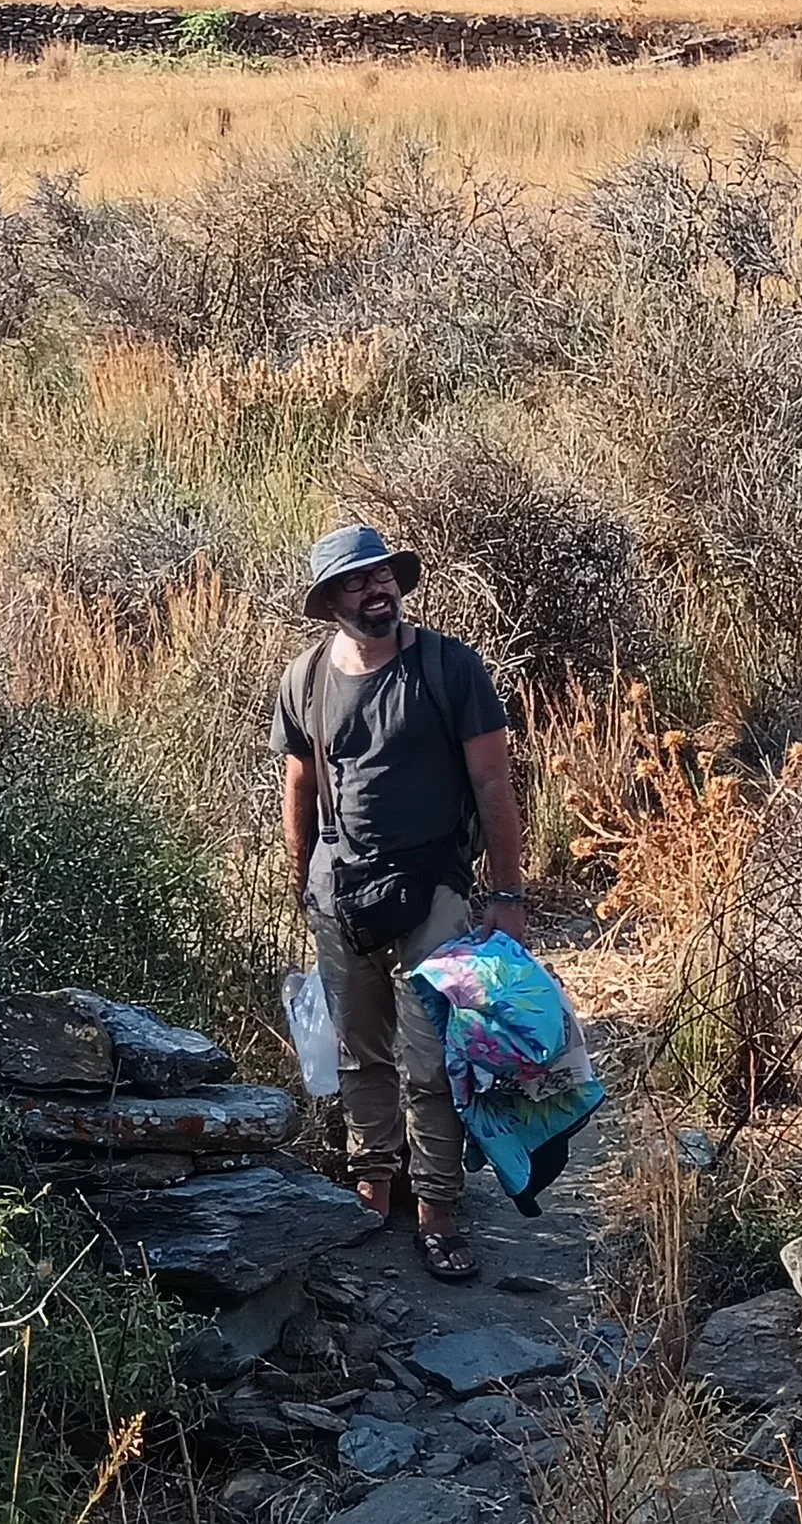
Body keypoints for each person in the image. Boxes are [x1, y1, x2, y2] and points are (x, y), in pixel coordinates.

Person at [271, 524, 527, 1282]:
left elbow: (493, 784)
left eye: (382, 575)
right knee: (358, 1054)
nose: (376, 589)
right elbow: (300, 785)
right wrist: (302, 882)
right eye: (357, 582)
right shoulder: (305, 678)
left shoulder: (450, 667)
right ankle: (370, 1193)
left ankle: (440, 1211)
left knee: (433, 1060)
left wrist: (507, 893)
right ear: (331, 601)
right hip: (338, 894)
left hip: (435, 893)